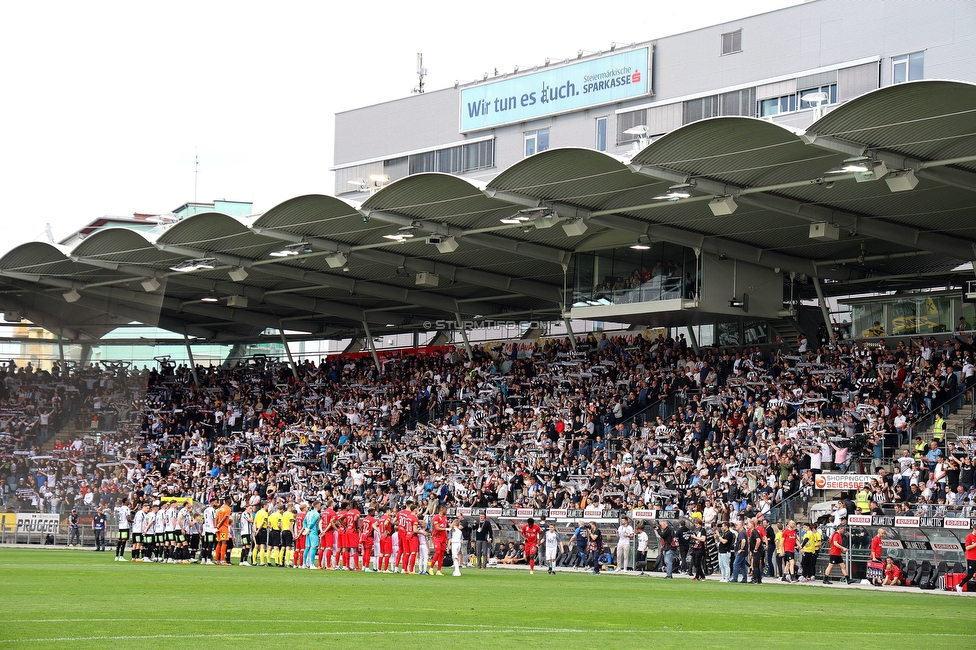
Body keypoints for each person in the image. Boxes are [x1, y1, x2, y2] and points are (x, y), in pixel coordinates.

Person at [956, 522, 976, 594]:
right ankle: (960, 585)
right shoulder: (969, 537)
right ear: (973, 529)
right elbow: (967, 548)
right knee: (970, 574)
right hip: (971, 558)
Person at [302, 502, 321, 569]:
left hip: (308, 532)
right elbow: (313, 522)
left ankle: (304, 564)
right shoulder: (317, 514)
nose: (320, 506)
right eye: (320, 505)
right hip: (313, 531)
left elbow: (303, 522)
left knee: (307, 547)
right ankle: (311, 564)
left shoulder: (309, 513)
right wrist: (309, 528)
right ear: (317, 506)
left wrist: (306, 528)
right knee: (314, 547)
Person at [430, 506, 449, 575]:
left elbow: (444, 528)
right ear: (442, 509)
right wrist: (446, 529)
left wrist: (447, 538)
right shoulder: (436, 517)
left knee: (441, 554)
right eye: (445, 510)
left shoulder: (445, 518)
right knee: (437, 552)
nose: (446, 511)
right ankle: (431, 568)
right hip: (436, 537)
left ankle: (438, 570)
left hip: (443, 538)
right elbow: (437, 528)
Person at [215, 497, 232, 566]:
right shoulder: (228, 509)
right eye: (230, 500)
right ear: (228, 501)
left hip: (218, 528)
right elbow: (224, 519)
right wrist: (219, 526)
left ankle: (217, 560)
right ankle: (222, 560)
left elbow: (216, 518)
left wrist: (216, 526)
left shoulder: (220, 508)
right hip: (223, 527)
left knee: (219, 543)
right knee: (224, 542)